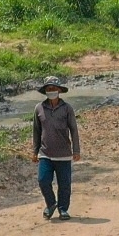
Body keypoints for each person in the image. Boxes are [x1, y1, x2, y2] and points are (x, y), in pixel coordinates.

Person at [32, 76, 82, 220]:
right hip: (45, 153)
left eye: (54, 88)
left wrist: (76, 150)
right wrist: (35, 152)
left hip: (64, 153)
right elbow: (36, 131)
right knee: (43, 180)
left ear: (59, 90)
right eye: (49, 89)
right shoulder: (39, 108)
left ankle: (63, 209)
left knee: (64, 184)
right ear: (45, 91)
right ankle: (51, 204)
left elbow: (74, 130)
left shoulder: (67, 108)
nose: (51, 91)